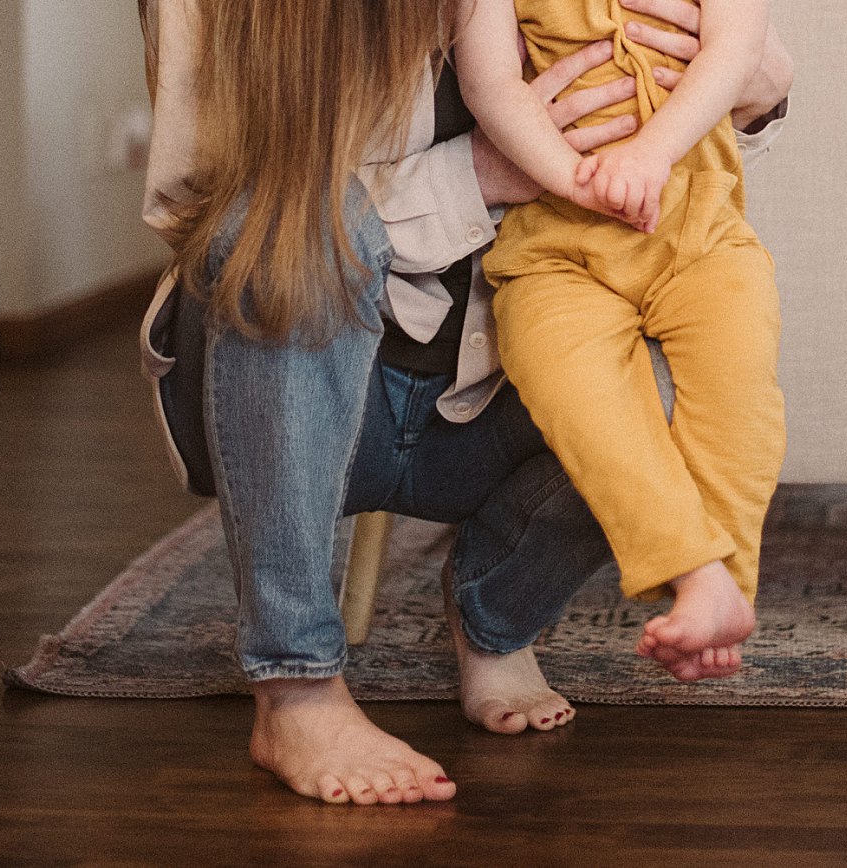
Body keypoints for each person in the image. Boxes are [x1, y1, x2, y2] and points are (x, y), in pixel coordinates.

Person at [138, 0, 791, 805]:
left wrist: (751, 90)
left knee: (683, 357)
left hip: (493, 389)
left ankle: (496, 610)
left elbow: (662, 203)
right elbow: (203, 211)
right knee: (290, 232)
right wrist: (478, 175)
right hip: (294, 389)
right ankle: (295, 686)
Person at [458, 0, 785, 682]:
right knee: (581, 401)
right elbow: (489, 84)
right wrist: (572, 177)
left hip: (700, 232)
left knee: (737, 395)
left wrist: (650, 152)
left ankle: (725, 579)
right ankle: (696, 572)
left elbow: (736, 51)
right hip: (555, 246)